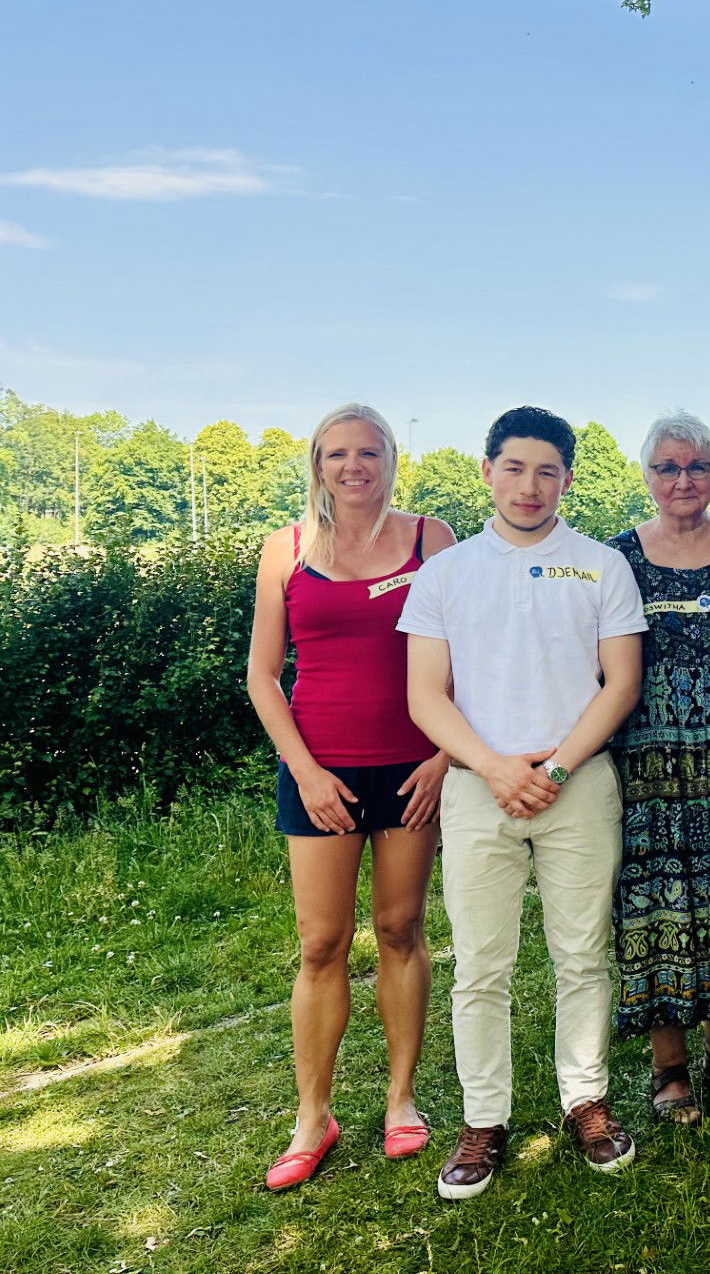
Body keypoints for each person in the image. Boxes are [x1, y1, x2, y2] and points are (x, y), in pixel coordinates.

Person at [400, 407, 646, 1200]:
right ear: (487, 471)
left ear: (568, 479)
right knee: (480, 966)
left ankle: (587, 1101)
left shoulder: (602, 565)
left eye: (547, 471)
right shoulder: (447, 572)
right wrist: (497, 768)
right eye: (514, 467)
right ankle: (484, 1120)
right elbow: (424, 696)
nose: (530, 486)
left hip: (578, 784)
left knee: (580, 955)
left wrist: (557, 768)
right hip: (479, 790)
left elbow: (622, 685)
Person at [245, 403, 455, 1190]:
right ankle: (313, 1115)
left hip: (411, 770)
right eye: (338, 453)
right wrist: (303, 770)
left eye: (368, 452)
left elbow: (468, 658)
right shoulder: (286, 549)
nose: (353, 466)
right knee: (320, 944)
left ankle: (402, 1100)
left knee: (400, 929)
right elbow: (264, 676)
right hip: (320, 772)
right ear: (317, 463)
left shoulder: (432, 540)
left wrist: (443, 755)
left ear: (391, 458)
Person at [605, 412, 710, 1124]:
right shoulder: (618, 559)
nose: (683, 480)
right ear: (647, 476)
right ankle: (668, 1068)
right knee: (655, 910)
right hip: (647, 768)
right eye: (668, 467)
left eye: (697, 465)